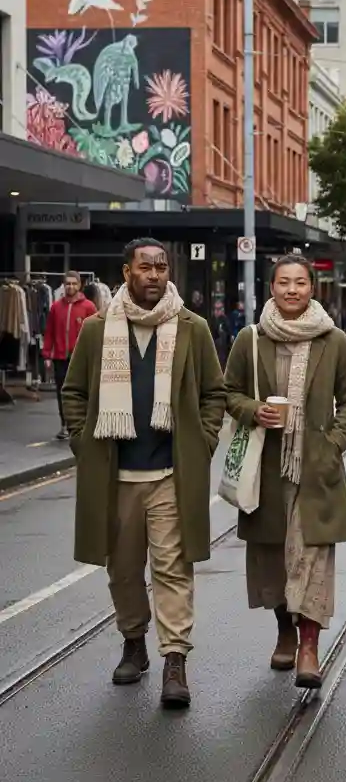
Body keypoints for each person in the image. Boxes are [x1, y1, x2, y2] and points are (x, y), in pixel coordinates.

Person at [61, 238, 225, 709]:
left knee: (173, 569)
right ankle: (134, 641)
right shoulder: (96, 329)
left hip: (172, 473)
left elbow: (214, 394)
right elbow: (73, 392)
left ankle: (175, 659)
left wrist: (205, 440)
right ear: (127, 272)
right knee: (124, 570)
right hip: (116, 476)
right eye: (145, 267)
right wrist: (83, 442)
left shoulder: (192, 329)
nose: (154, 275)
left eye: (161, 267)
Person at [224, 255, 346, 688]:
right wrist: (254, 411)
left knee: (312, 559)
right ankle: (284, 628)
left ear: (312, 288)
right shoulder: (250, 339)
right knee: (274, 561)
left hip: (315, 469)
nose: (291, 290)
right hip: (266, 470)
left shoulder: (333, 339)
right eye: (283, 282)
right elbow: (227, 393)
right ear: (271, 288)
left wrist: (334, 443)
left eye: (300, 282)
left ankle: (308, 646)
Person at [42, 270, 97, 440]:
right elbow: (49, 332)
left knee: (83, 392)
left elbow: (95, 333)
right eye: (68, 284)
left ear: (80, 285)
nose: (70, 287)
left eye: (74, 283)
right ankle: (64, 425)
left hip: (81, 358)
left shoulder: (89, 307)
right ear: (63, 286)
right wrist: (47, 355)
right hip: (60, 357)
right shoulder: (55, 307)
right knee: (62, 392)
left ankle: (83, 425)